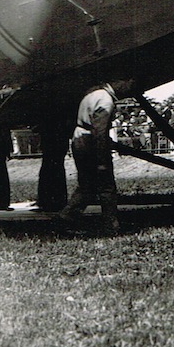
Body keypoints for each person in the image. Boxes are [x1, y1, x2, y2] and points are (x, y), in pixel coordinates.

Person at [59, 78, 134, 234]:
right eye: (128, 83)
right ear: (119, 82)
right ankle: (111, 226)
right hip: (90, 142)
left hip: (80, 138)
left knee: (87, 184)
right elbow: (100, 132)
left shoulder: (93, 93)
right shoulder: (105, 100)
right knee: (106, 185)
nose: (129, 88)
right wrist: (102, 160)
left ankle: (67, 216)